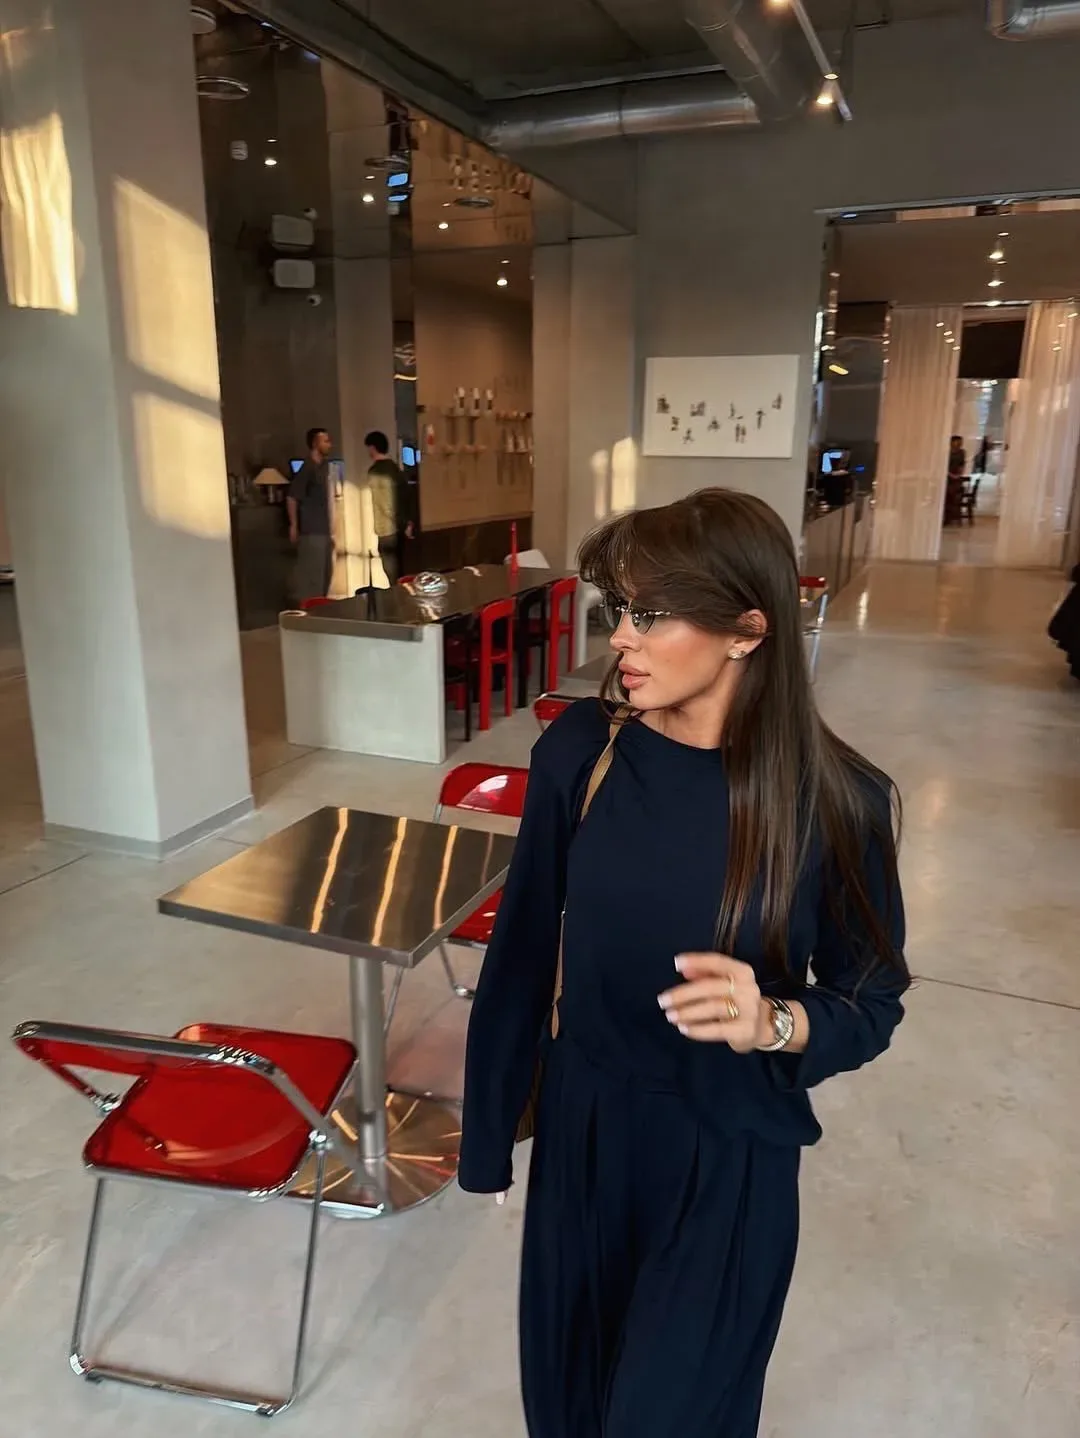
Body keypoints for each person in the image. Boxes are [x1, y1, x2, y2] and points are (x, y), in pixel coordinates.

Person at [459, 488, 909, 1438]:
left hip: (727, 1153)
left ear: (746, 630)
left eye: (652, 614)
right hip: (585, 1131)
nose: (620, 637)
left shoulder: (837, 802)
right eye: (618, 608)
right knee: (568, 1408)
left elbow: (872, 998)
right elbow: (525, 945)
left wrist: (775, 1022)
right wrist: (490, 1132)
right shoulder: (582, 752)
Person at [287, 427, 334, 602]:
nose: (329, 444)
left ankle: (321, 608)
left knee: (326, 575)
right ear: (315, 444)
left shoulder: (325, 467)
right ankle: (311, 610)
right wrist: (294, 525)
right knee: (314, 578)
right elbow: (292, 497)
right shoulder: (307, 468)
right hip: (311, 530)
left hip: (325, 529)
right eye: (325, 441)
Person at [364, 430, 412, 586]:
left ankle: (397, 600)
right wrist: (406, 523)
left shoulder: (376, 472)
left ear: (372, 448)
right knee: (401, 573)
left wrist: (395, 521)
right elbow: (406, 497)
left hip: (386, 528)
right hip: (401, 528)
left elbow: (385, 503)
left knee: (392, 576)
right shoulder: (396, 469)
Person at [945, 434, 967, 525]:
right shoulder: (947, 452)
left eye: (961, 442)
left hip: (956, 478)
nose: (959, 444)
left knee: (954, 496)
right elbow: (943, 465)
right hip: (947, 477)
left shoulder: (962, 452)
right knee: (946, 495)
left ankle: (951, 516)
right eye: (957, 442)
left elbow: (962, 464)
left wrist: (959, 474)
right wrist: (950, 474)